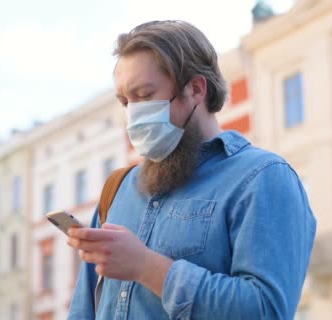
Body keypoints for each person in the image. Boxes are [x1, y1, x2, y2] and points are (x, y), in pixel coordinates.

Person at [66, 20, 316, 320]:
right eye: (124, 101)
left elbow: (267, 311)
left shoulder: (263, 177)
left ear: (196, 89)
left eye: (144, 95)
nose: (132, 114)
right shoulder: (118, 190)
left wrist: (147, 266)